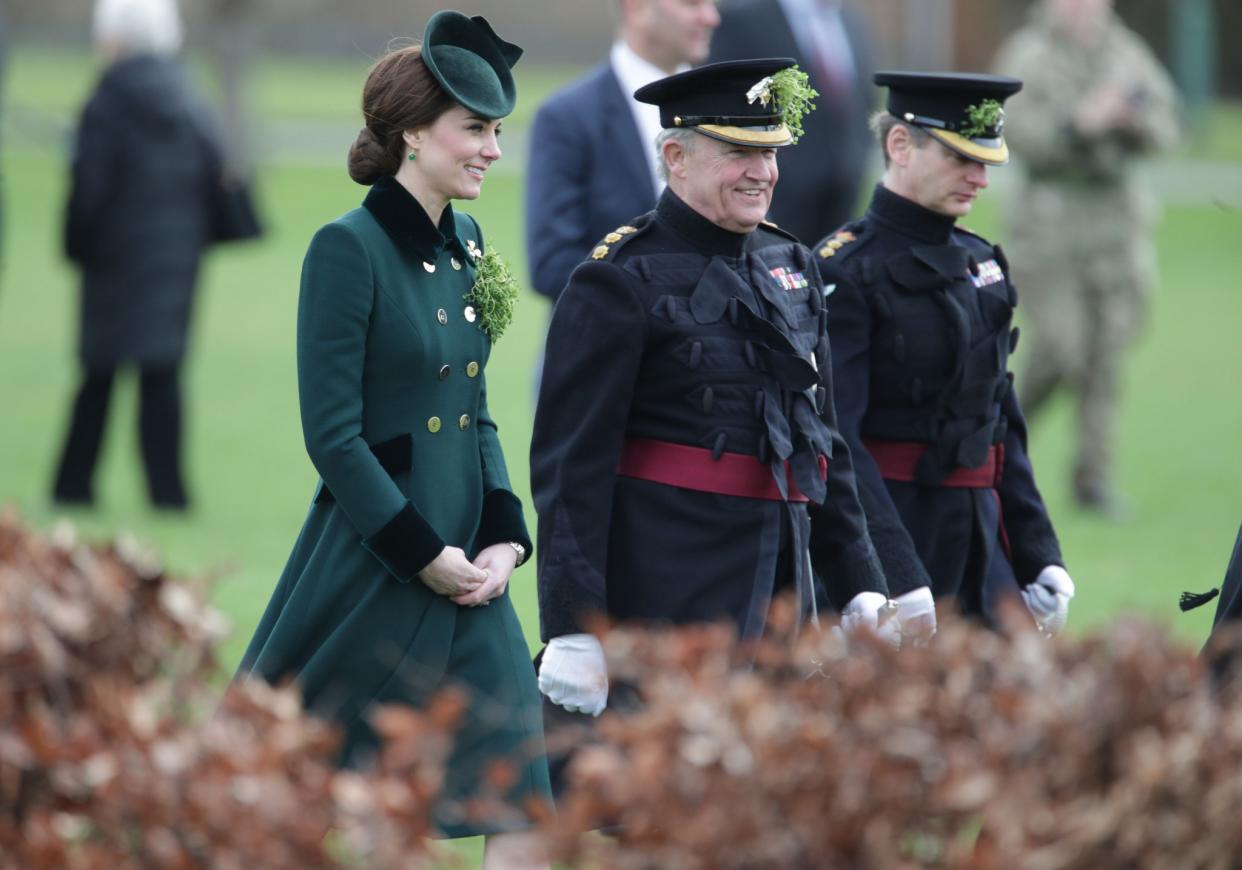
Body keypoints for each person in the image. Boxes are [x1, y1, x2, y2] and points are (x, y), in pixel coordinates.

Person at [236, 13, 549, 865]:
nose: (492, 148)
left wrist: (503, 538)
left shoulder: (469, 244)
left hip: (474, 573)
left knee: (518, 787)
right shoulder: (347, 249)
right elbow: (333, 437)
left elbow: (475, 406)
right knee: (317, 791)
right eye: (475, 129)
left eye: (497, 131)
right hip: (376, 560)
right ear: (414, 133)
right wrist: (421, 553)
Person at [532, 59, 904, 737]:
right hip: (670, 593)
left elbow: (824, 442)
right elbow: (570, 465)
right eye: (739, 152)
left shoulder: (792, 264)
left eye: (770, 152)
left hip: (786, 591)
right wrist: (572, 625)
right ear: (676, 155)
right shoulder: (617, 279)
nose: (762, 171)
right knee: (655, 812)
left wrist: (860, 578)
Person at [813, 72, 1074, 635]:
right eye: (960, 159)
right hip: (894, 535)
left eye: (985, 161)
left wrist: (1038, 552)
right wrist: (893, 572)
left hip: (985, 542)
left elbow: (1000, 421)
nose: (979, 178)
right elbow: (838, 440)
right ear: (900, 145)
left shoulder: (981, 262)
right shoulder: (845, 268)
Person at [993, 0, 1180, 516]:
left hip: (1116, 228)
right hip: (1050, 225)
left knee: (1107, 354)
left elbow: (1168, 124)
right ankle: (995, 438)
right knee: (1060, 347)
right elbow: (1012, 131)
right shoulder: (1029, 54)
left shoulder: (1125, 53)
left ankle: (1092, 479)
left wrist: (1130, 118)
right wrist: (1079, 125)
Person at [51, 0, 218, 509]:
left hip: (114, 259)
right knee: (162, 373)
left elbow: (89, 189)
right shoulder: (187, 95)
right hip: (176, 257)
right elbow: (214, 174)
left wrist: (76, 245)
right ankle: (169, 495)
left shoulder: (108, 98)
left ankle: (73, 487)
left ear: (117, 37)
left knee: (98, 374)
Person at [525, 0, 720, 304]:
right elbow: (552, 266)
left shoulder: (724, 109)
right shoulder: (568, 116)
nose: (711, 17)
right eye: (691, 3)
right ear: (637, 7)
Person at [710, 0, 874, 245]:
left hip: (843, 191)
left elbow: (861, 96)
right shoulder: (744, 17)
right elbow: (722, 99)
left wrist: (858, 154)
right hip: (776, 196)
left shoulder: (848, 20)